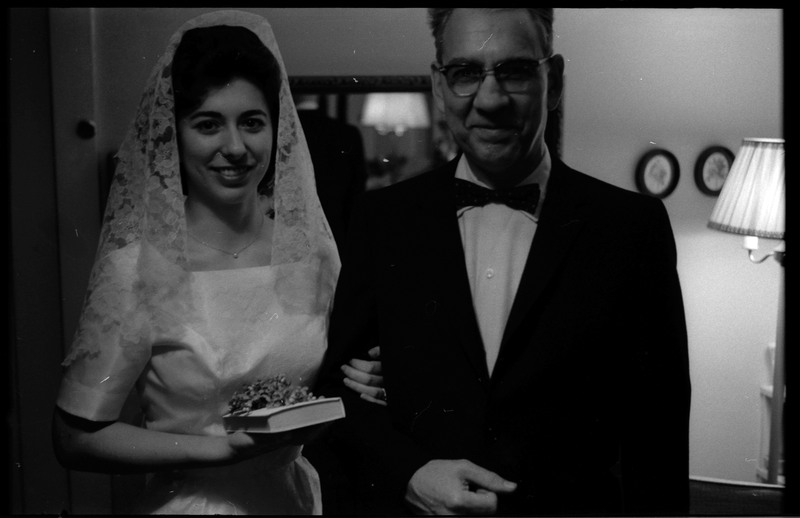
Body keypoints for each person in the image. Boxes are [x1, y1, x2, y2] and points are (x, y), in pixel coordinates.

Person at [318, 7, 690, 515]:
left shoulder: (631, 228)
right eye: (466, 73)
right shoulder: (382, 220)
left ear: (553, 80)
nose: (489, 100)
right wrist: (409, 472)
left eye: (514, 71)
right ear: (438, 84)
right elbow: (334, 395)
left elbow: (658, 438)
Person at [52, 10, 380, 515]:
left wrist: (369, 378)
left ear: (277, 129)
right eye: (208, 124)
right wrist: (220, 449)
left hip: (295, 498)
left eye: (252, 123)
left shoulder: (312, 253)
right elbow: (74, 438)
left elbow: (337, 380)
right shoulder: (138, 269)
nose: (235, 147)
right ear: (174, 137)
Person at [294, 94, 368, 248]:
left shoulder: (281, 132)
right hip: (336, 236)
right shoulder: (347, 133)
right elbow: (357, 194)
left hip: (293, 237)